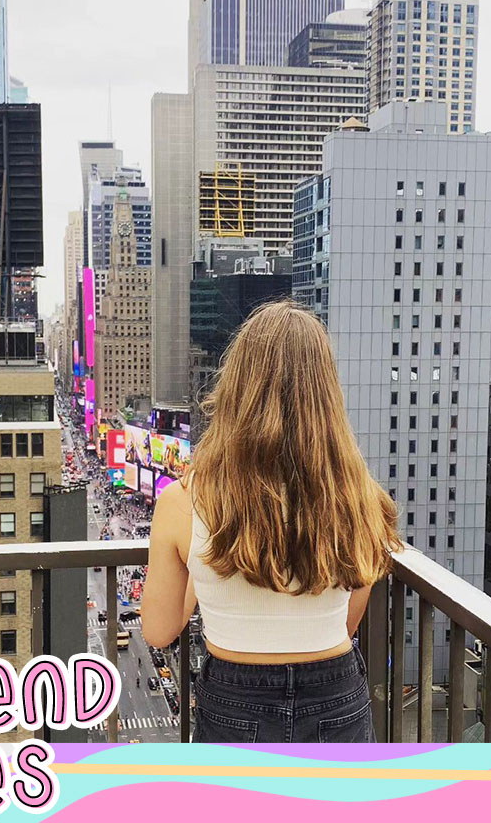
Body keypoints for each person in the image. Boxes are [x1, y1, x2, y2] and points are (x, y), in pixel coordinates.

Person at [141, 301, 401, 743]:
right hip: (337, 695)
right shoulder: (360, 499)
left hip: (232, 699)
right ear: (328, 396)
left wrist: (202, 570)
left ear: (237, 389)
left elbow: (159, 630)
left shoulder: (184, 501)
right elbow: (347, 623)